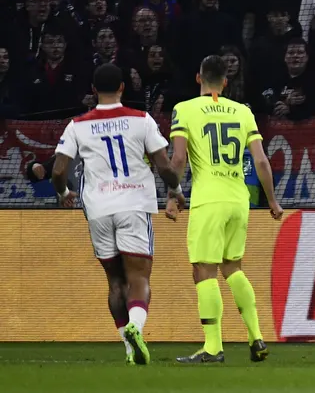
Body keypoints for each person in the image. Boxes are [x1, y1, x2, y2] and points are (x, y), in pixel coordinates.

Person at [51, 63, 183, 365]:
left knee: (115, 282)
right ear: (123, 87)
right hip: (134, 202)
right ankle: (136, 327)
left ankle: (127, 347)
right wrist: (174, 190)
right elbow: (164, 166)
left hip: (98, 208)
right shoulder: (141, 120)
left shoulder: (77, 125)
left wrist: (64, 193)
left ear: (94, 91)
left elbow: (59, 171)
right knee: (138, 276)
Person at [168, 55, 283, 363]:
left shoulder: (185, 109)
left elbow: (177, 159)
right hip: (238, 200)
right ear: (226, 82)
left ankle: (213, 347)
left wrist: (171, 195)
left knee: (203, 270)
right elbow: (260, 160)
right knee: (233, 268)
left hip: (208, 200)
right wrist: (271, 200)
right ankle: (256, 337)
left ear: (198, 78)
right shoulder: (243, 112)